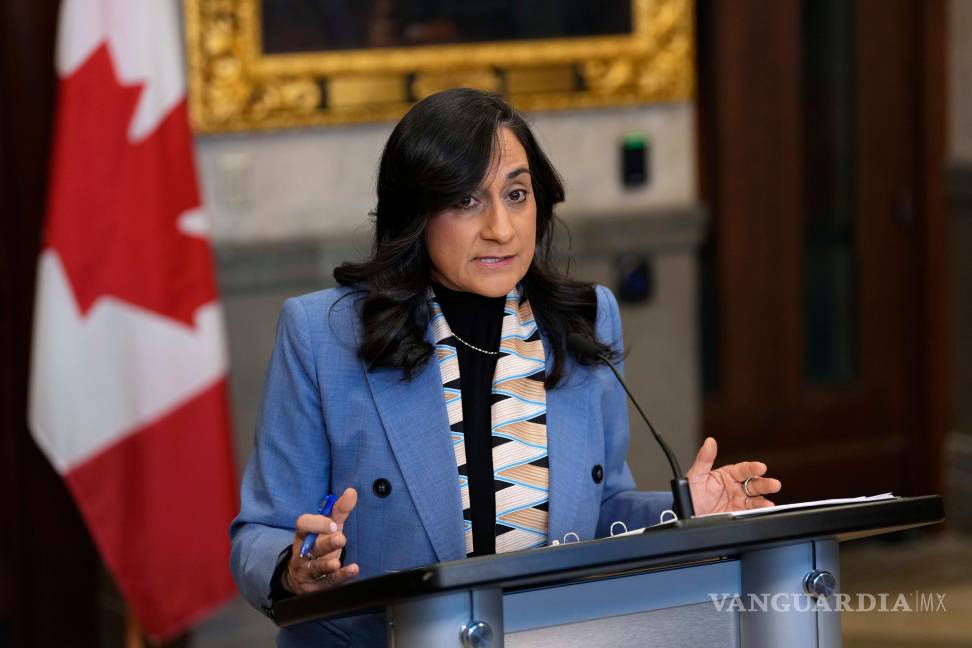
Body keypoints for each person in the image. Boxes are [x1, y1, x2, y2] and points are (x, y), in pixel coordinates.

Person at [230, 88, 781, 647]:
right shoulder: (324, 334)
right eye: (466, 201)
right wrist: (295, 568)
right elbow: (260, 533)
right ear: (415, 212)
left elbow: (601, 509)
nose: (501, 228)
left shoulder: (582, 320)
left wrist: (687, 509)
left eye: (516, 194)